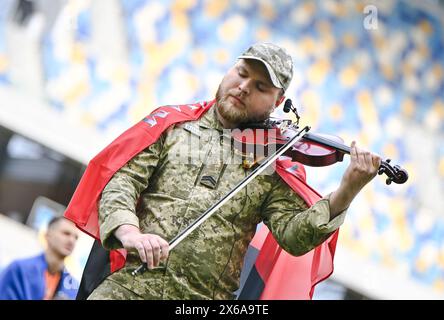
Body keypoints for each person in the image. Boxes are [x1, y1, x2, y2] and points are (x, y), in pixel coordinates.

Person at [65, 42, 381, 300]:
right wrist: (129, 232)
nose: (243, 87)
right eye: (241, 73)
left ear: (278, 101)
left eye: (259, 86)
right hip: (126, 288)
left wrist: (347, 191)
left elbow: (294, 238)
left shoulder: (274, 162)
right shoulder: (173, 124)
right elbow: (123, 180)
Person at [0, 216, 79, 300]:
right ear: (48, 235)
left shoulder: (73, 287)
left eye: (76, 237)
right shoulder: (19, 269)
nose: (72, 241)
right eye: (66, 233)